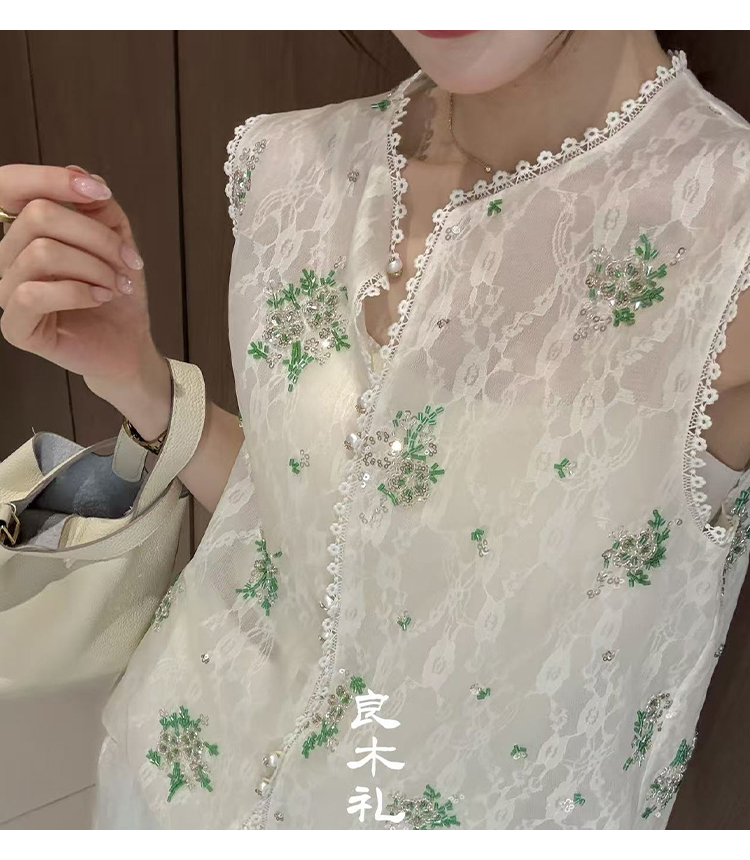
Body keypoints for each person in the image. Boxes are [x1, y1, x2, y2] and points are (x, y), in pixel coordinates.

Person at [0, 29, 748, 830]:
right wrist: (135, 378)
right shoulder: (290, 167)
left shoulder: (725, 243)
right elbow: (298, 530)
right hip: (170, 790)